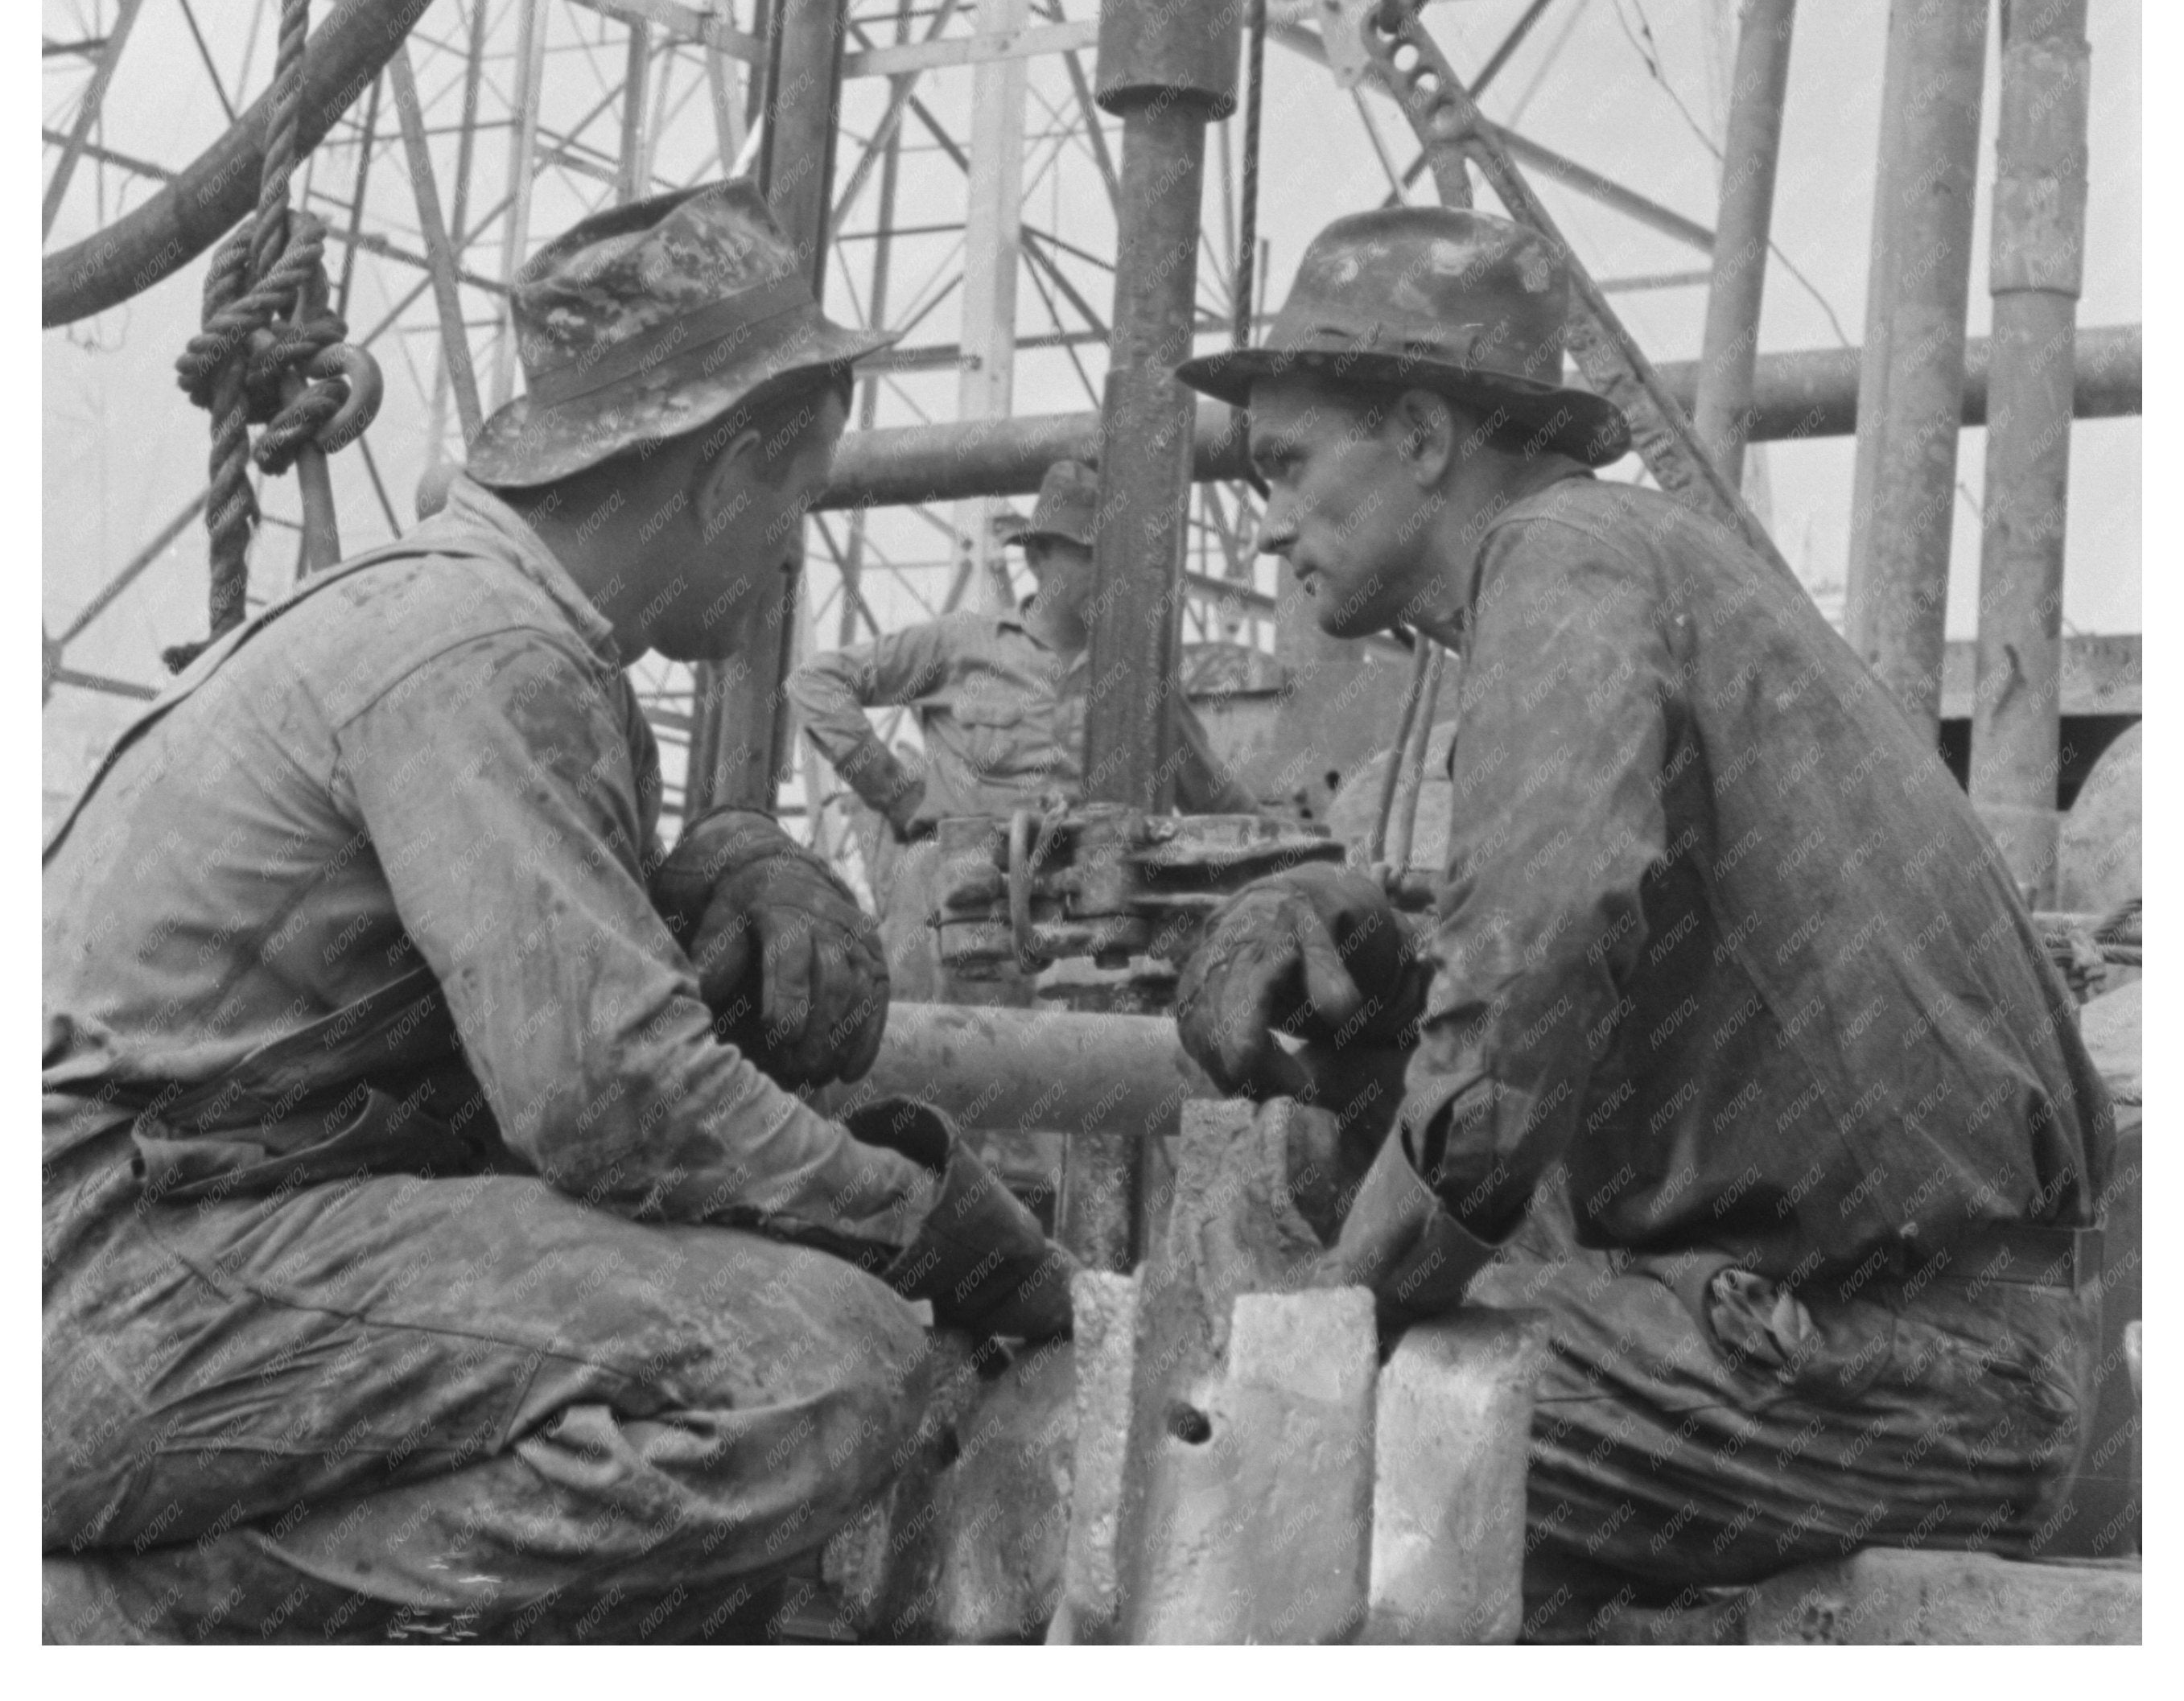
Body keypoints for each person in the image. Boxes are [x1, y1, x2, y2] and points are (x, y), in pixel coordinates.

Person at [43, 182, 1070, 1645]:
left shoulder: (493, 630)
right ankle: (134, 1621)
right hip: (111, 1295)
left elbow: (552, 960)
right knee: (807, 1368)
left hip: (160, 1255)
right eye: (797, 492)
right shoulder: (484, 654)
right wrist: (932, 1225)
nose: (793, 547)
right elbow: (613, 1099)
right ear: (729, 466)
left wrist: (733, 857)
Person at [1171, 205, 2114, 1631]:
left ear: (1422, 435)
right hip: (1910, 1350)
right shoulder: (1635, 567)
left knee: (1309, 1442)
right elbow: (1573, 995)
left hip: (1902, 1372)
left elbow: (1541, 966)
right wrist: (1380, 1011)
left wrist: (1322, 1329)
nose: (1266, 520)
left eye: (1287, 465)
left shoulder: (1561, 561)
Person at [787, 455, 1257, 996]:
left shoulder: (1139, 681)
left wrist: (1317, 858)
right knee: (925, 1060)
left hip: (1088, 927)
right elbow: (816, 683)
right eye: (1088, 556)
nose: (1109, 575)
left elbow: (1222, 804)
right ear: (1037, 558)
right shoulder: (961, 645)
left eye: (1118, 559)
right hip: (959, 915)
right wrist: (894, 792)